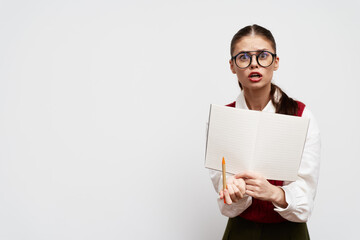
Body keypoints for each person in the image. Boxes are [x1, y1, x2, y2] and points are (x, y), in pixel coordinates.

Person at [209, 24, 321, 240]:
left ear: (275, 62)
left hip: (290, 232)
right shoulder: (223, 118)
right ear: (232, 66)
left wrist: (273, 193)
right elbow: (225, 200)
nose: (254, 65)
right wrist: (236, 192)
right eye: (243, 57)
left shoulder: (301, 115)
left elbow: (306, 200)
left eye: (263, 56)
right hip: (241, 231)